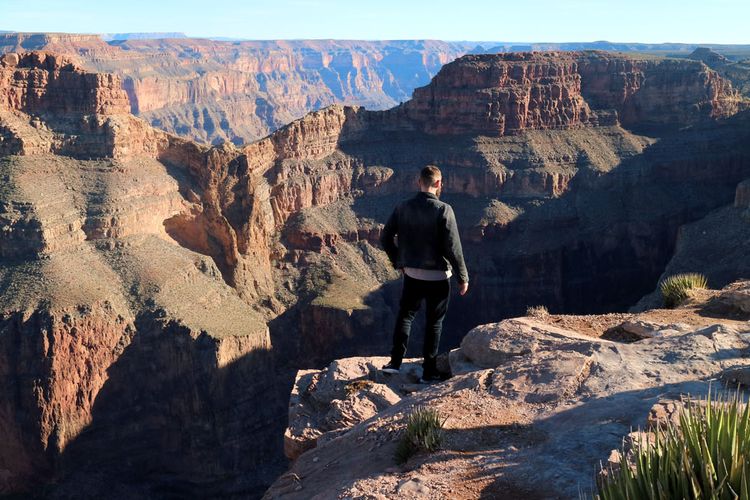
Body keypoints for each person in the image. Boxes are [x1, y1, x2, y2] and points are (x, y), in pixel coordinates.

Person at [379, 165, 469, 383]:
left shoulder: (403, 207)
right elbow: (453, 247)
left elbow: (385, 238)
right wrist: (462, 276)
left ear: (418, 182)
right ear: (438, 184)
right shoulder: (444, 209)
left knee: (406, 315)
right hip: (438, 277)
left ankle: (395, 362)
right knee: (434, 323)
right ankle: (429, 371)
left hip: (412, 274)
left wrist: (398, 261)